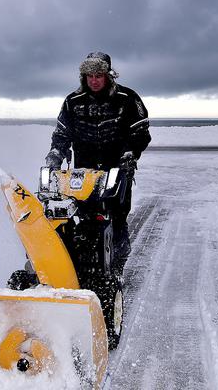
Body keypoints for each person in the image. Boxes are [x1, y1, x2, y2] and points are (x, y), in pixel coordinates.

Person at [45, 51, 151, 270]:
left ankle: (117, 260)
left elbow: (140, 132)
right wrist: (56, 154)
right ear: (83, 77)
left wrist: (130, 155)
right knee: (82, 214)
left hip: (117, 169)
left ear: (108, 76)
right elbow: (62, 134)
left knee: (117, 213)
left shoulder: (127, 99)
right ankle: (77, 262)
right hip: (83, 171)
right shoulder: (72, 102)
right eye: (89, 75)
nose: (93, 80)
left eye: (98, 75)